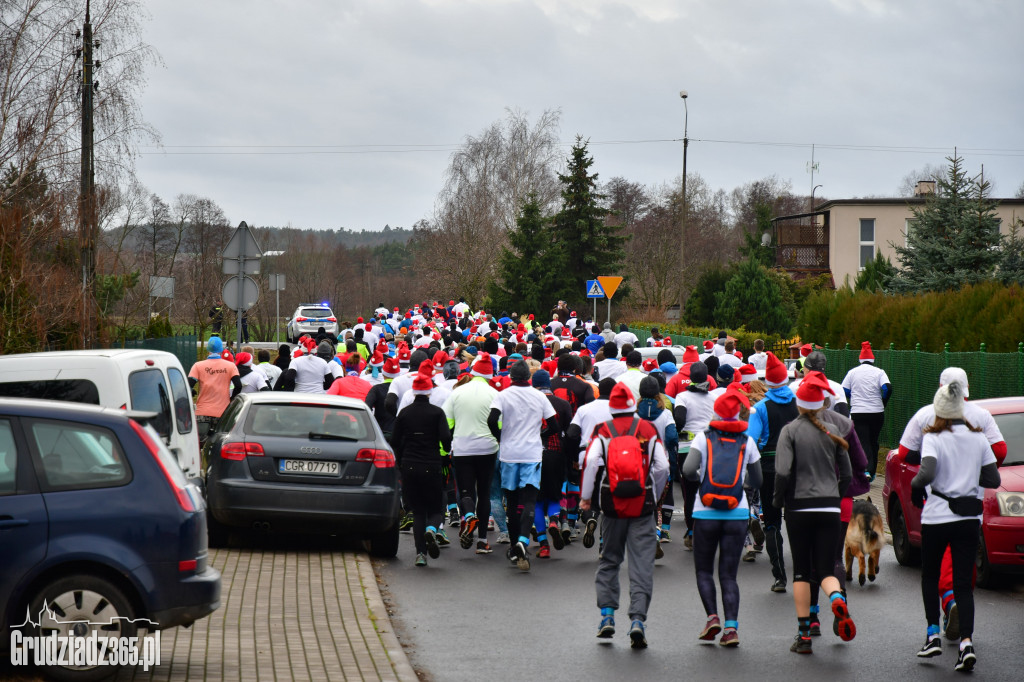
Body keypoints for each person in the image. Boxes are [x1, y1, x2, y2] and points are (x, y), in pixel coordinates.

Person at [897, 367, 1006, 641]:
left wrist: (920, 479)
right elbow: (1000, 452)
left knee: (935, 567)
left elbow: (904, 453)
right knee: (964, 562)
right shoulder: (981, 419)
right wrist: (973, 471)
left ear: (939, 388)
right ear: (967, 390)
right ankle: (964, 635)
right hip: (973, 503)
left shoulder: (925, 417)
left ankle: (945, 610)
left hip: (937, 503)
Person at [580, 383, 668, 649]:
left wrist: (586, 497)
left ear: (612, 407)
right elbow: (662, 465)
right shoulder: (648, 429)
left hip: (612, 504)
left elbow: (592, 463)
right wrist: (655, 489)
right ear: (633, 404)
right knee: (641, 565)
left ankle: (607, 615)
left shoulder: (603, 431)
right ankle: (637, 621)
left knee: (610, 560)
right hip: (643, 504)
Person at [773, 373, 854, 655]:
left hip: (799, 506)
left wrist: (778, 499)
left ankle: (804, 635)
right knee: (825, 569)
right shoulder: (833, 431)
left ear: (798, 403)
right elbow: (847, 474)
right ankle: (836, 597)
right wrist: (835, 493)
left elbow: (782, 472)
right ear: (822, 403)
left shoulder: (790, 431)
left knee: (802, 573)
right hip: (830, 506)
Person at [681, 389, 762, 647]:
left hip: (705, 511)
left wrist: (702, 483)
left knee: (704, 570)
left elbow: (687, 470)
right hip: (737, 512)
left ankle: (712, 617)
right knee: (729, 575)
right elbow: (758, 480)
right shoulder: (746, 440)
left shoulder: (703, 438)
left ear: (716, 411)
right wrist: (742, 486)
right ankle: (731, 629)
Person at [488, 360, 559, 571]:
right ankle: (522, 541)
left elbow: (492, 419)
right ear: (529, 377)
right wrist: (539, 435)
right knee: (529, 499)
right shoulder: (539, 396)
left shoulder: (502, 395)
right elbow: (554, 425)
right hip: (531, 453)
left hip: (509, 454)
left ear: (510, 377)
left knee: (511, 501)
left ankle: (513, 547)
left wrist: (501, 437)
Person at [746, 352, 799, 593]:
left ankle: (779, 576)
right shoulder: (799, 402)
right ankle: (800, 571)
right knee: (797, 520)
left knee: (772, 521)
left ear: (767, 382)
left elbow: (750, 441)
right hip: (798, 468)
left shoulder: (759, 408)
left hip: (769, 470)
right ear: (786, 381)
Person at [391, 366, 453, 568]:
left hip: (409, 464)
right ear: (429, 391)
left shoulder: (405, 413)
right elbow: (445, 437)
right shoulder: (437, 413)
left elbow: (396, 440)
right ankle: (433, 529)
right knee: (436, 507)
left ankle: (420, 554)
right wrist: (446, 449)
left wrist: (400, 461)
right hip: (431, 463)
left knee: (418, 511)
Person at [442, 353, 500, 552]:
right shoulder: (494, 394)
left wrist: (444, 449)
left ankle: (468, 516)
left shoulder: (456, 393)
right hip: (488, 448)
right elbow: (499, 423)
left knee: (466, 490)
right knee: (484, 494)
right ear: (490, 375)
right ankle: (483, 541)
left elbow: (446, 423)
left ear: (472, 372)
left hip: (462, 448)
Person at [672, 361, 716, 550]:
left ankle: (691, 533)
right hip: (710, 448)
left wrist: (679, 435)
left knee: (689, 493)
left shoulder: (682, 396)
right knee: (707, 489)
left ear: (690, 378)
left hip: (687, 449)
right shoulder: (713, 398)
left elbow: (680, 419)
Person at [531, 369, 573, 559]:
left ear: (534, 384)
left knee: (537, 500)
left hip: (533, 453)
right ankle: (555, 520)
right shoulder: (563, 404)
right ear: (549, 384)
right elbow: (568, 431)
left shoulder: (530, 402)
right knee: (555, 494)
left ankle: (543, 544)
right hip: (557, 453)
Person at [841, 341, 892, 481]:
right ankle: (873, 472)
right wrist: (883, 402)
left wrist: (853, 398)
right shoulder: (879, 372)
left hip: (859, 412)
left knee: (863, 441)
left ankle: (866, 471)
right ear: (872, 359)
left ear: (860, 359)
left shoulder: (852, 373)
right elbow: (888, 388)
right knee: (874, 441)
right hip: (877, 412)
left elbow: (844, 389)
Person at [188, 336, 242, 443]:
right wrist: (231, 399)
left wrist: (192, 392)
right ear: (221, 350)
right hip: (223, 413)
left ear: (208, 349)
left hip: (202, 412)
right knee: (219, 445)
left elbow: (188, 385)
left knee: (200, 444)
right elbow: (238, 385)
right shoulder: (230, 366)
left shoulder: (198, 366)